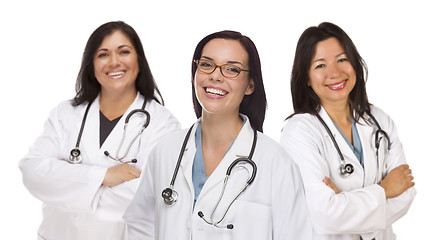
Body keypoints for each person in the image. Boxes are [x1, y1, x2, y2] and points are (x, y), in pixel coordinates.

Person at [123, 30, 313, 239]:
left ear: (250, 85)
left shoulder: (276, 163)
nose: (215, 75)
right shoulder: (165, 152)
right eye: (206, 64)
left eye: (232, 69)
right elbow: (138, 227)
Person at [19, 21, 180, 240]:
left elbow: (146, 196)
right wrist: (103, 175)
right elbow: (32, 172)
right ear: (91, 65)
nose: (114, 62)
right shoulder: (65, 114)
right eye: (103, 54)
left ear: (139, 60)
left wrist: (63, 188)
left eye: (124, 52)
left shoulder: (163, 124)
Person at [280, 22, 416, 240]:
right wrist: (384, 191)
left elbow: (406, 194)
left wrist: (344, 204)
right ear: (306, 77)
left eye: (342, 59)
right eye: (320, 65)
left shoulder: (379, 120)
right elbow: (324, 215)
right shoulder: (299, 132)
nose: (334, 72)